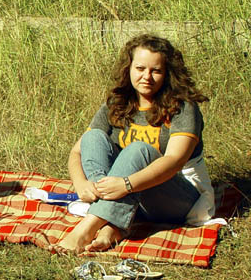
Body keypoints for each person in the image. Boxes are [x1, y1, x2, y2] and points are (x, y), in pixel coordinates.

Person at [51, 34, 215, 255]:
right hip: (131, 197)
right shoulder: (117, 103)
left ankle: (86, 229)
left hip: (178, 197)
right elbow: (77, 152)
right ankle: (111, 225)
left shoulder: (183, 107)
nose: (147, 76)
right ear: (128, 69)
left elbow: (174, 161)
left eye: (156, 71)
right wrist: (81, 184)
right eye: (140, 68)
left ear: (168, 73)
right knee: (93, 137)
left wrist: (126, 185)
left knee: (139, 150)